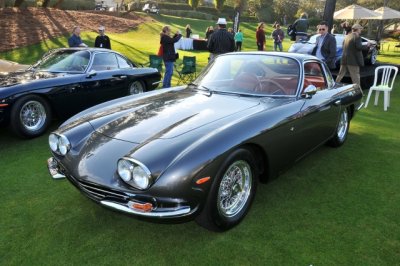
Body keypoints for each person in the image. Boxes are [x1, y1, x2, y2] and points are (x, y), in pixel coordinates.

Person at [335, 24, 368, 89]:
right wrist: (368, 46)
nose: (361, 30)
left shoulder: (347, 36)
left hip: (344, 59)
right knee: (356, 77)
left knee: (340, 75)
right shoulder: (357, 37)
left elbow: (343, 46)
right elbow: (359, 47)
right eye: (360, 29)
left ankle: (333, 88)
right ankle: (358, 91)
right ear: (357, 29)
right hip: (353, 60)